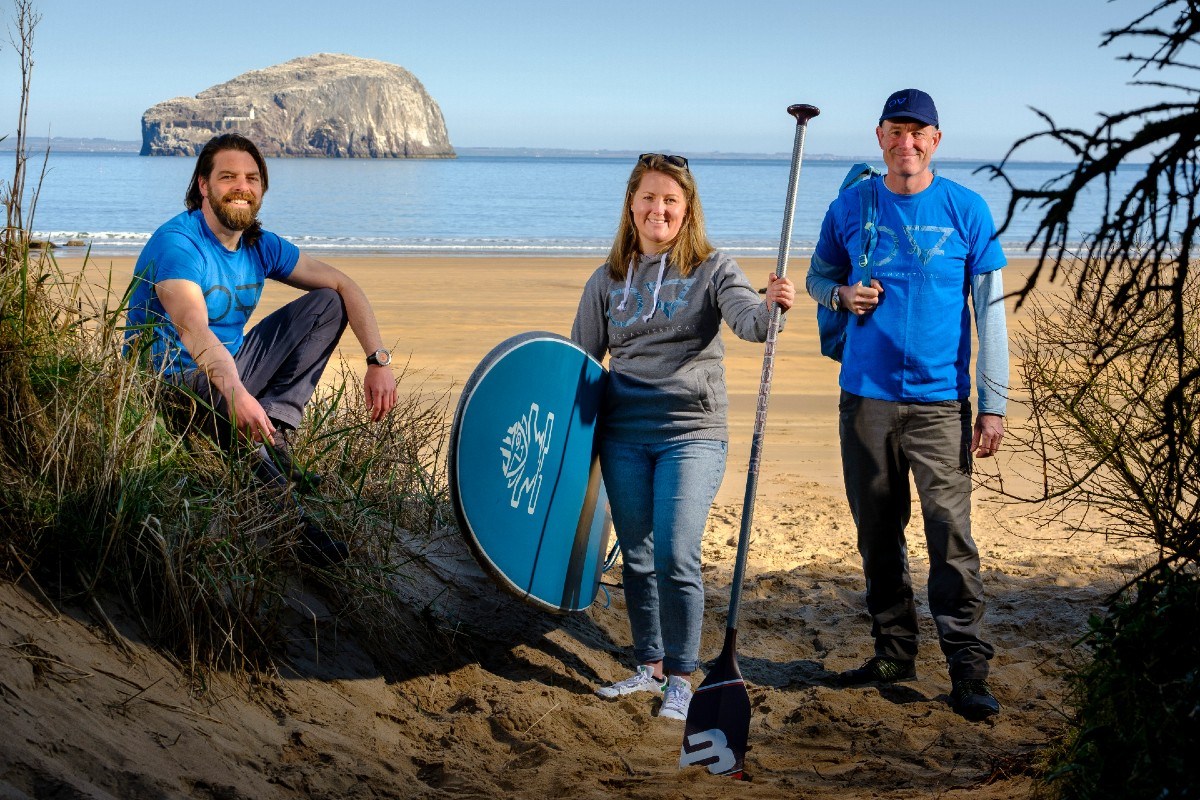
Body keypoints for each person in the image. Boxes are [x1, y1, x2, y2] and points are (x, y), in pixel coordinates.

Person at [806, 89, 1008, 721]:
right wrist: (840, 296)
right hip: (864, 401)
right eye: (897, 131)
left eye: (919, 133)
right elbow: (816, 277)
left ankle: (968, 669)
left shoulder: (966, 210)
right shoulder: (851, 205)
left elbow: (990, 314)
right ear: (880, 136)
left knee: (950, 538)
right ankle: (893, 653)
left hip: (941, 404)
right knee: (878, 534)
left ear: (936, 141)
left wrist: (993, 403)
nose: (907, 143)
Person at [572, 153, 795, 721]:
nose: (658, 208)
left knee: (675, 552)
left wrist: (772, 309)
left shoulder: (714, 267)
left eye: (670, 199)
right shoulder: (607, 279)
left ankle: (681, 676)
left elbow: (750, 322)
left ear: (687, 208)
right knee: (638, 557)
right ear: (631, 204)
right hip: (624, 433)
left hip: (691, 431)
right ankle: (646, 667)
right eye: (649, 197)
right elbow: (580, 360)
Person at [125, 133, 398, 564]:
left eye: (252, 178)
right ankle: (292, 526)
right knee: (223, 396)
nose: (242, 186)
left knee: (327, 303)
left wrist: (377, 360)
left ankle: (275, 436)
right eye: (228, 176)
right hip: (167, 383)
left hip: (227, 367)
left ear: (262, 189)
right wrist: (237, 396)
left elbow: (346, 284)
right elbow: (194, 331)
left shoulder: (260, 245)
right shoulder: (179, 244)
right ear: (203, 186)